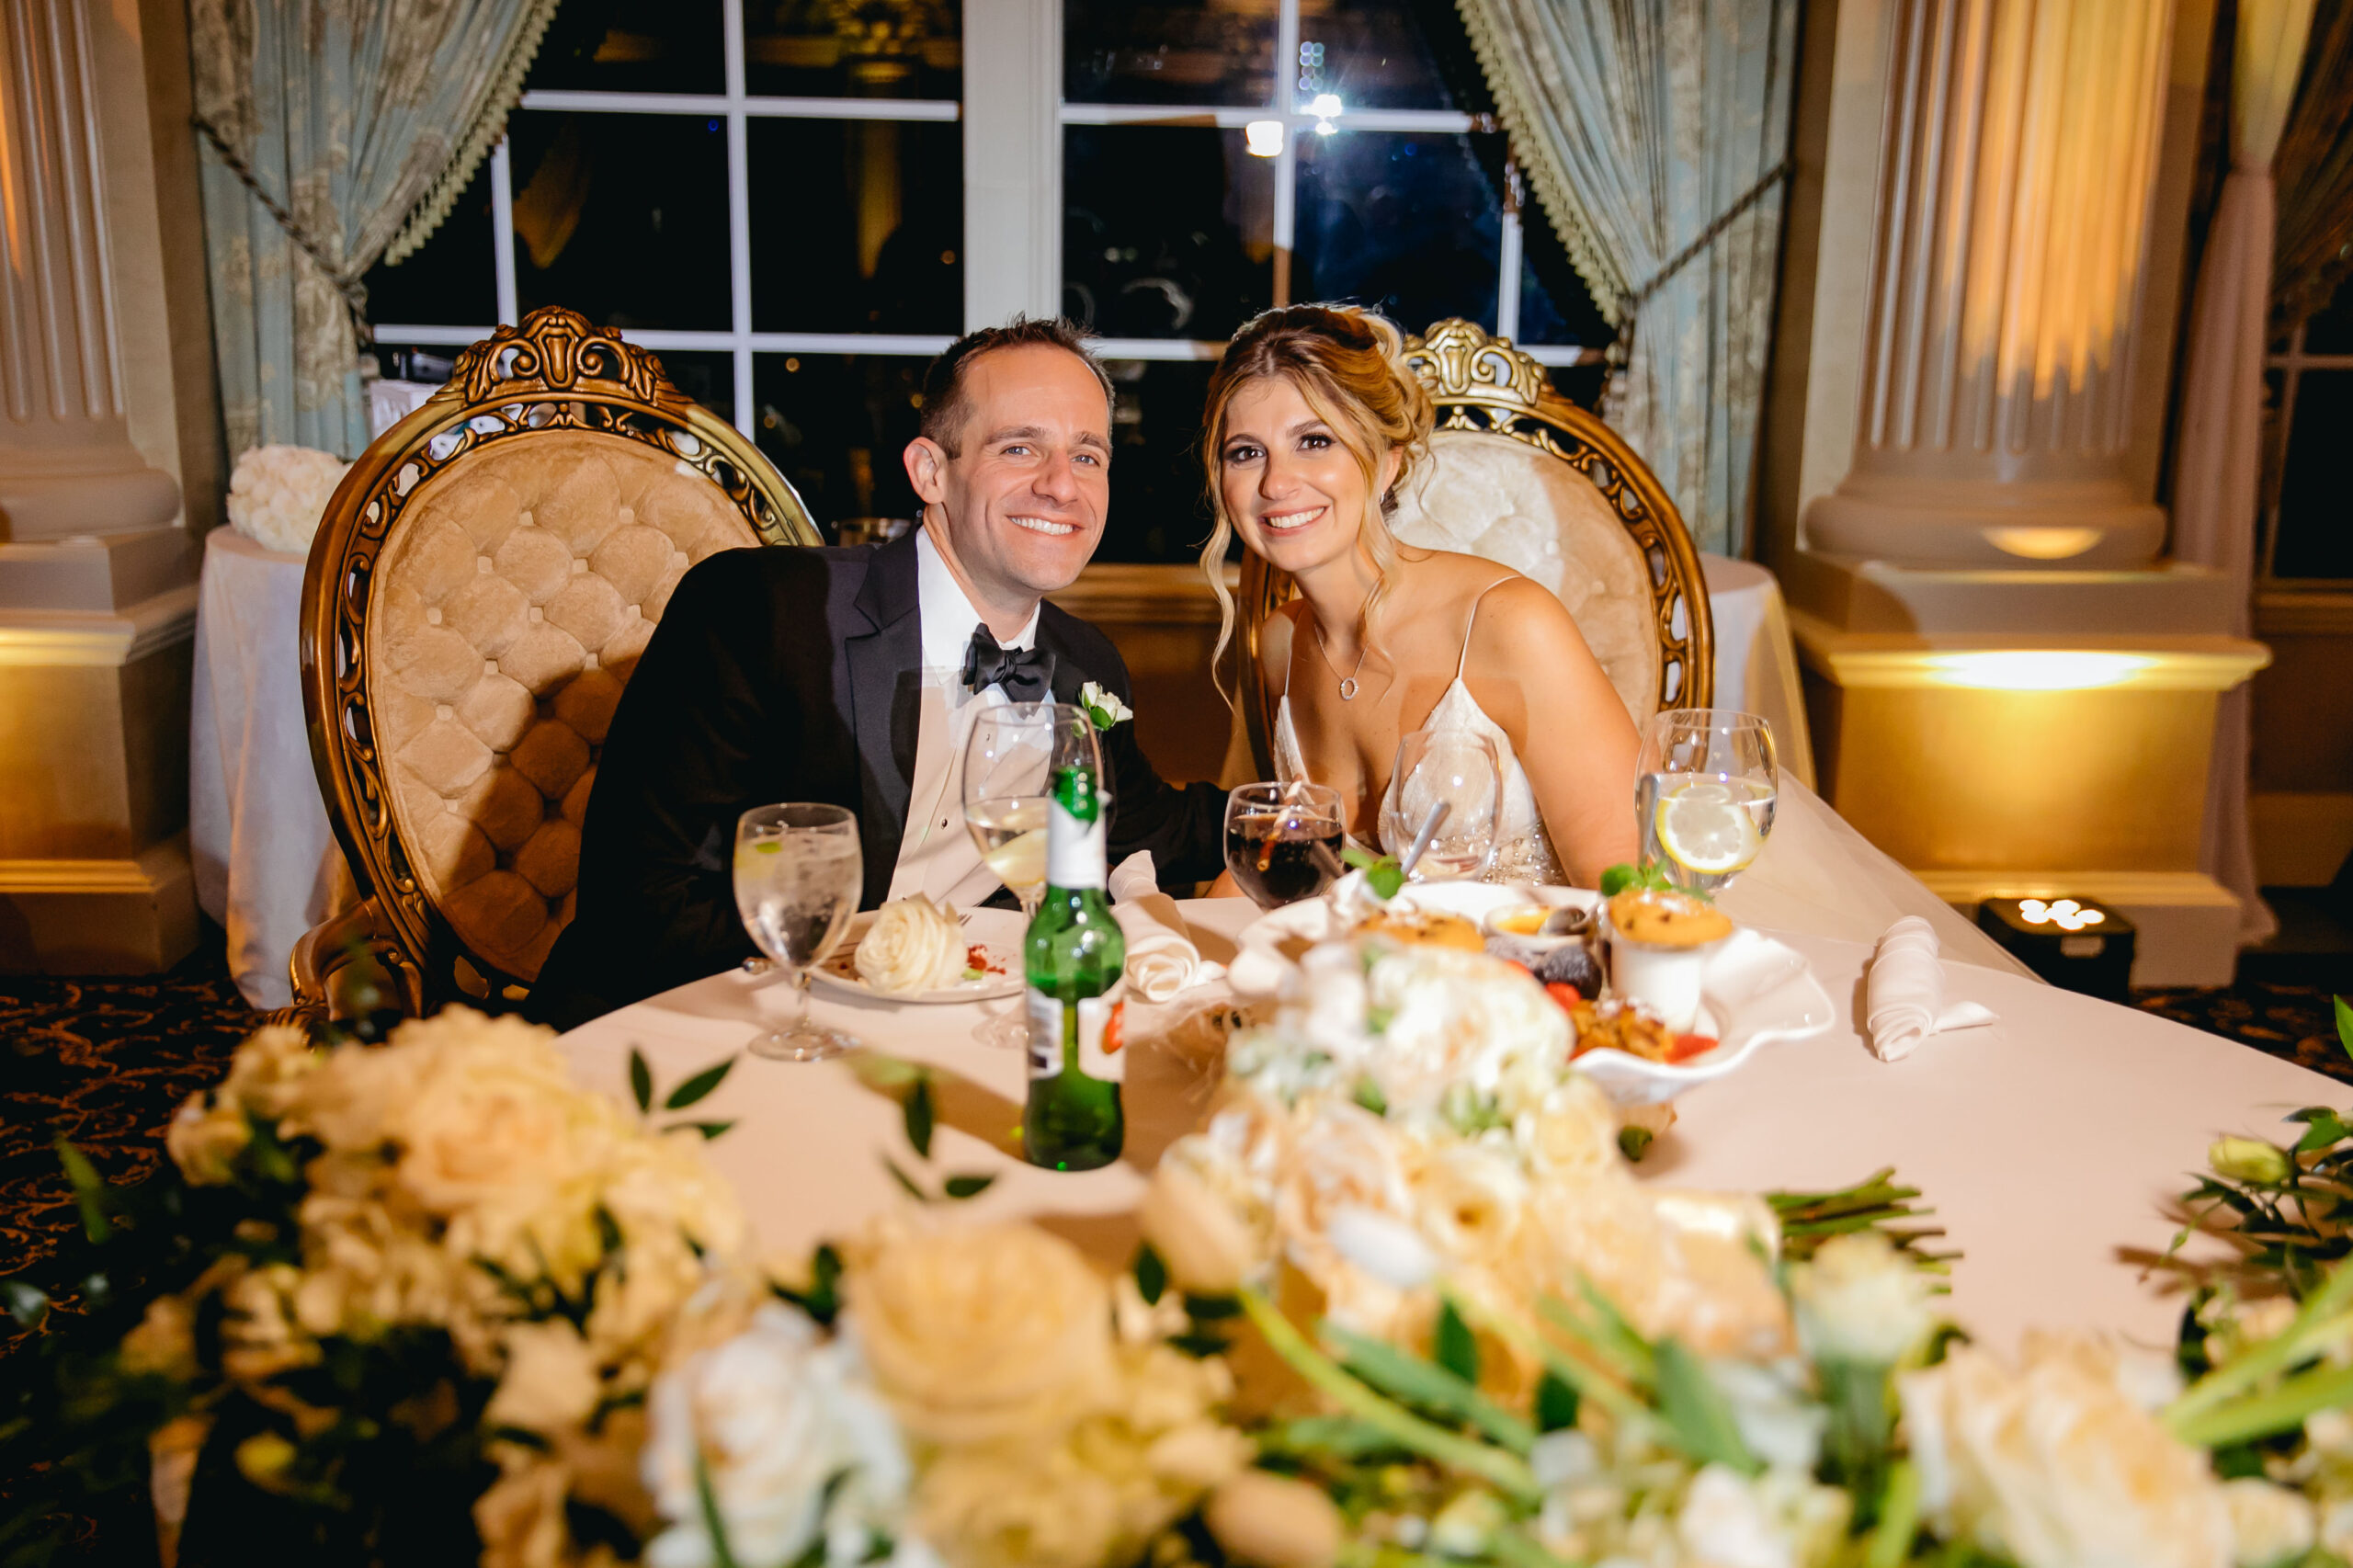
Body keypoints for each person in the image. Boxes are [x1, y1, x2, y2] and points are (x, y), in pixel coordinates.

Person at [529, 318, 1225, 1029]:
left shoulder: (1087, 666)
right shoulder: (760, 612)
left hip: (937, 1036)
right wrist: (876, 958)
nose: (1060, 486)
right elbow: (639, 908)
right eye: (1020, 448)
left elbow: (1152, 823)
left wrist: (1317, 825)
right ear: (930, 472)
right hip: (702, 1025)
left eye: (1088, 456)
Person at [1199, 304, 1639, 889]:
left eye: (1314, 440)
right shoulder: (1282, 641)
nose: (1276, 483)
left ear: (1385, 463)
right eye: (1246, 452)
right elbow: (1279, 864)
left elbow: (1625, 892)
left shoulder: (1510, 625)